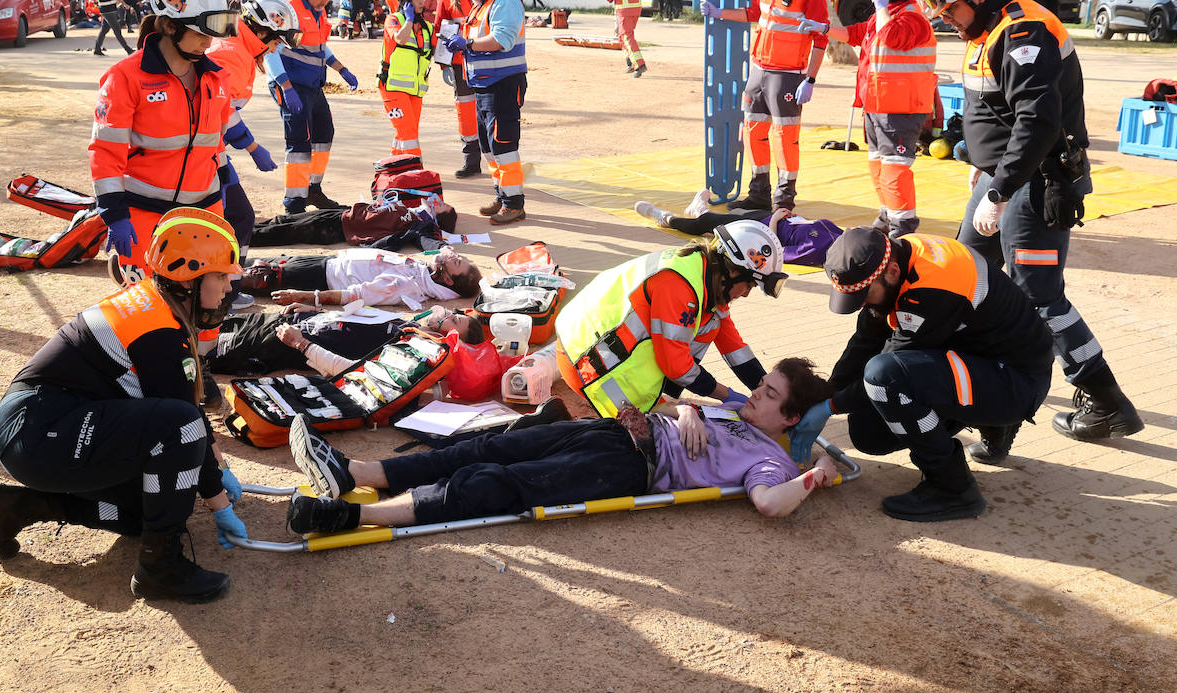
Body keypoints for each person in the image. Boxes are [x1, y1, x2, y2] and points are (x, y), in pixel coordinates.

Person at [918, 0, 1143, 447]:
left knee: (1036, 295)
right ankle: (994, 409)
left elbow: (1037, 121)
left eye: (948, 8)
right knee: (962, 278)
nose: (946, 19)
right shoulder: (987, 26)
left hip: (1035, 182)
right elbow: (997, 113)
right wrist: (983, 171)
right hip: (1001, 180)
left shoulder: (1024, 30)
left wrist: (998, 191)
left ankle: (1103, 400)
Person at [0, 208, 248, 603]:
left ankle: (22, 505)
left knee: (150, 512)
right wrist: (217, 500)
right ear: (190, 278)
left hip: (44, 427)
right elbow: (185, 421)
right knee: (178, 431)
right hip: (41, 429)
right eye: (222, 276)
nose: (228, 288)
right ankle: (161, 570)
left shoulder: (157, 305)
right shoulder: (156, 329)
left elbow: (181, 406)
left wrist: (214, 473)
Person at [283, 357, 839, 533]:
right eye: (760, 386)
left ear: (787, 419)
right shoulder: (727, 409)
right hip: (615, 429)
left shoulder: (771, 460)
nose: (753, 395)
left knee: (498, 484)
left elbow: (770, 504)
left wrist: (816, 472)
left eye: (767, 395)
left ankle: (354, 518)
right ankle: (356, 470)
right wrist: (688, 407)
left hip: (631, 466)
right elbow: (666, 404)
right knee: (493, 445)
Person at [804, 227, 1054, 522]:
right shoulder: (896, 256)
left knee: (885, 378)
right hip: (985, 362)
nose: (863, 303)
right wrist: (827, 392)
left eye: (864, 295)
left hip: (1016, 380)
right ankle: (992, 422)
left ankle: (953, 487)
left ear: (892, 272)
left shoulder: (931, 289)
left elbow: (887, 368)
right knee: (868, 431)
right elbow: (867, 339)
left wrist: (831, 406)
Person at [555, 220, 787, 417]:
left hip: (592, 350)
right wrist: (726, 395)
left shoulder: (703, 274)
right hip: (590, 367)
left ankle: (658, 400)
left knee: (711, 325)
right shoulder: (679, 286)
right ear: (732, 270)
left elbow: (734, 347)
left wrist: (769, 392)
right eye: (749, 285)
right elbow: (676, 366)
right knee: (654, 440)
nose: (746, 294)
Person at [89, 0, 236, 280]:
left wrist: (225, 180)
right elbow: (106, 151)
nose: (207, 44)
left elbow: (215, 141)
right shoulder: (125, 77)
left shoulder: (216, 77)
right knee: (148, 312)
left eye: (211, 35)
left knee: (205, 308)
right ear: (170, 26)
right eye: (200, 34)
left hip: (204, 211)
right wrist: (114, 213)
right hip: (145, 215)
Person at [701, 0, 828, 211]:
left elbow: (821, 37)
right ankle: (759, 194)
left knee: (785, 138)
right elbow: (754, 14)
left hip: (788, 76)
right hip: (759, 71)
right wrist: (720, 12)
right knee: (754, 131)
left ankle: (783, 202)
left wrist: (810, 79)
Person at [807, 0, 937, 239]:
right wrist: (826, 29)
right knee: (878, 165)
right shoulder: (886, 14)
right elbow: (857, 34)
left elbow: (890, 35)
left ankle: (903, 229)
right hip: (879, 105)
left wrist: (881, 8)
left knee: (894, 169)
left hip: (900, 109)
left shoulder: (913, 19)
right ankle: (887, 217)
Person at [204, 0, 301, 302]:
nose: (276, 48)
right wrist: (253, 147)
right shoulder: (230, 53)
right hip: (200, 156)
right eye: (275, 41)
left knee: (239, 217)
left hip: (212, 151)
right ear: (261, 32)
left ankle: (227, 292)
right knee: (233, 218)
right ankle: (219, 296)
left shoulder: (241, 51)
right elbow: (222, 112)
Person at [442, 0, 528, 225]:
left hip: (503, 85)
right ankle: (502, 195)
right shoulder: (482, 5)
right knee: (489, 147)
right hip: (483, 86)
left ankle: (514, 203)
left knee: (504, 145)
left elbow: (501, 39)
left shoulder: (505, 1)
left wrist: (466, 44)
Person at [267, 0, 359, 212]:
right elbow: (270, 52)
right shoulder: (288, 9)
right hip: (290, 84)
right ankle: (294, 203)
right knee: (299, 143)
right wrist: (286, 88)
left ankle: (312, 190)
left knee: (323, 134)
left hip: (311, 84)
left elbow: (318, 45)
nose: (325, 3)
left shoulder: (317, 10)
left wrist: (341, 68)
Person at [209, 303, 482, 377]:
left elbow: (354, 372)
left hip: (281, 343)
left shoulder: (411, 349)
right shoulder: (408, 325)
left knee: (204, 349)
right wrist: (317, 310)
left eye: (454, 319)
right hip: (291, 322)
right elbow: (358, 319)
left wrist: (301, 344)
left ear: (447, 335)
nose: (449, 312)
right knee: (210, 324)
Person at [246, 244, 483, 310]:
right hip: (325, 263)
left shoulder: (405, 286)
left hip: (316, 276)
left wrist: (306, 296)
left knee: (246, 276)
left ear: (449, 280)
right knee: (244, 262)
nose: (453, 257)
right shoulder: (425, 272)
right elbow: (443, 251)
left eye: (457, 262)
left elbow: (353, 296)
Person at [633, 200, 843, 267]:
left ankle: (666, 219)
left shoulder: (816, 250)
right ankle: (700, 212)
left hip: (762, 229)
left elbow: (773, 251)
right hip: (774, 218)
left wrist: (776, 220)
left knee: (708, 224)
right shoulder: (839, 234)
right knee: (736, 211)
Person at [435, 0, 483, 179]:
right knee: (468, 110)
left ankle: (480, 158)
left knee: (479, 109)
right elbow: (440, 33)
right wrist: (443, 63)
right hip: (462, 64)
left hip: (477, 61)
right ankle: (473, 158)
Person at [246, 199, 456, 250]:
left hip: (338, 228)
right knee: (284, 220)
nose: (436, 202)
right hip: (342, 214)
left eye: (441, 206)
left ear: (439, 217)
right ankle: (239, 229)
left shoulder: (421, 225)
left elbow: (428, 242)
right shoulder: (415, 211)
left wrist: (444, 249)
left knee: (281, 232)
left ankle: (237, 239)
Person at [378, 0, 435, 159]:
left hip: (415, 91)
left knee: (406, 133)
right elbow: (401, 38)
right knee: (409, 134)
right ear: (406, 1)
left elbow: (437, 51)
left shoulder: (427, 27)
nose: (421, 2)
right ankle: (415, 171)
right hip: (393, 88)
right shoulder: (394, 20)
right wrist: (408, 20)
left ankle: (395, 166)